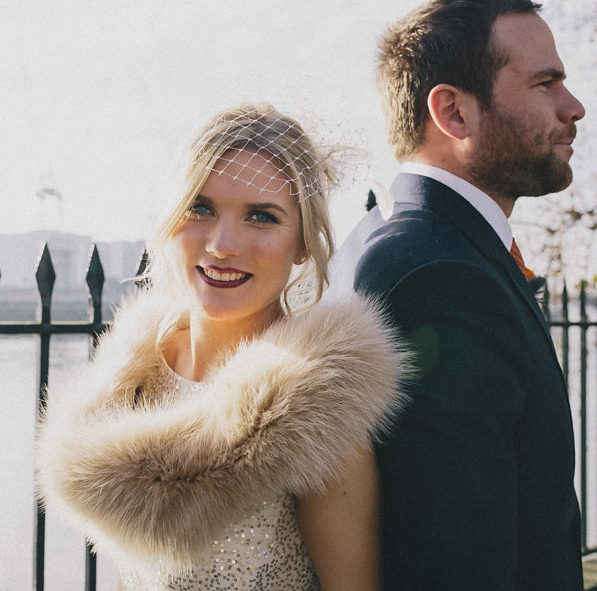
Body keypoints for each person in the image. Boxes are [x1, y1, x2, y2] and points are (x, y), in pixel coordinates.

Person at [36, 104, 405, 590]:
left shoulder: (317, 418)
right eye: (201, 208)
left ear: (301, 243)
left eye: (261, 217)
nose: (223, 243)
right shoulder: (134, 381)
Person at [330, 0, 586, 589]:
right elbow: (458, 565)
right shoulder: (440, 278)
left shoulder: (385, 238)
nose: (573, 107)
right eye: (545, 84)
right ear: (453, 113)